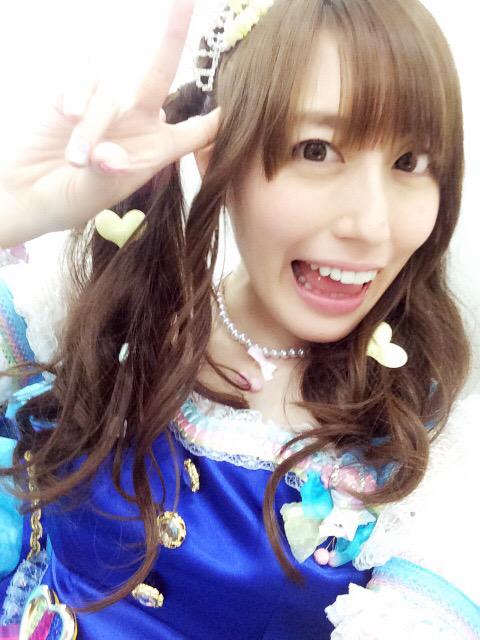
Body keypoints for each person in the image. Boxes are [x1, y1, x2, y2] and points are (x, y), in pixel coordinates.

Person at [0, 0, 478, 637]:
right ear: (214, 151)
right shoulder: (96, 307)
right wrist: (11, 208)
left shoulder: (436, 451)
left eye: (410, 163)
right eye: (317, 149)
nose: (371, 226)